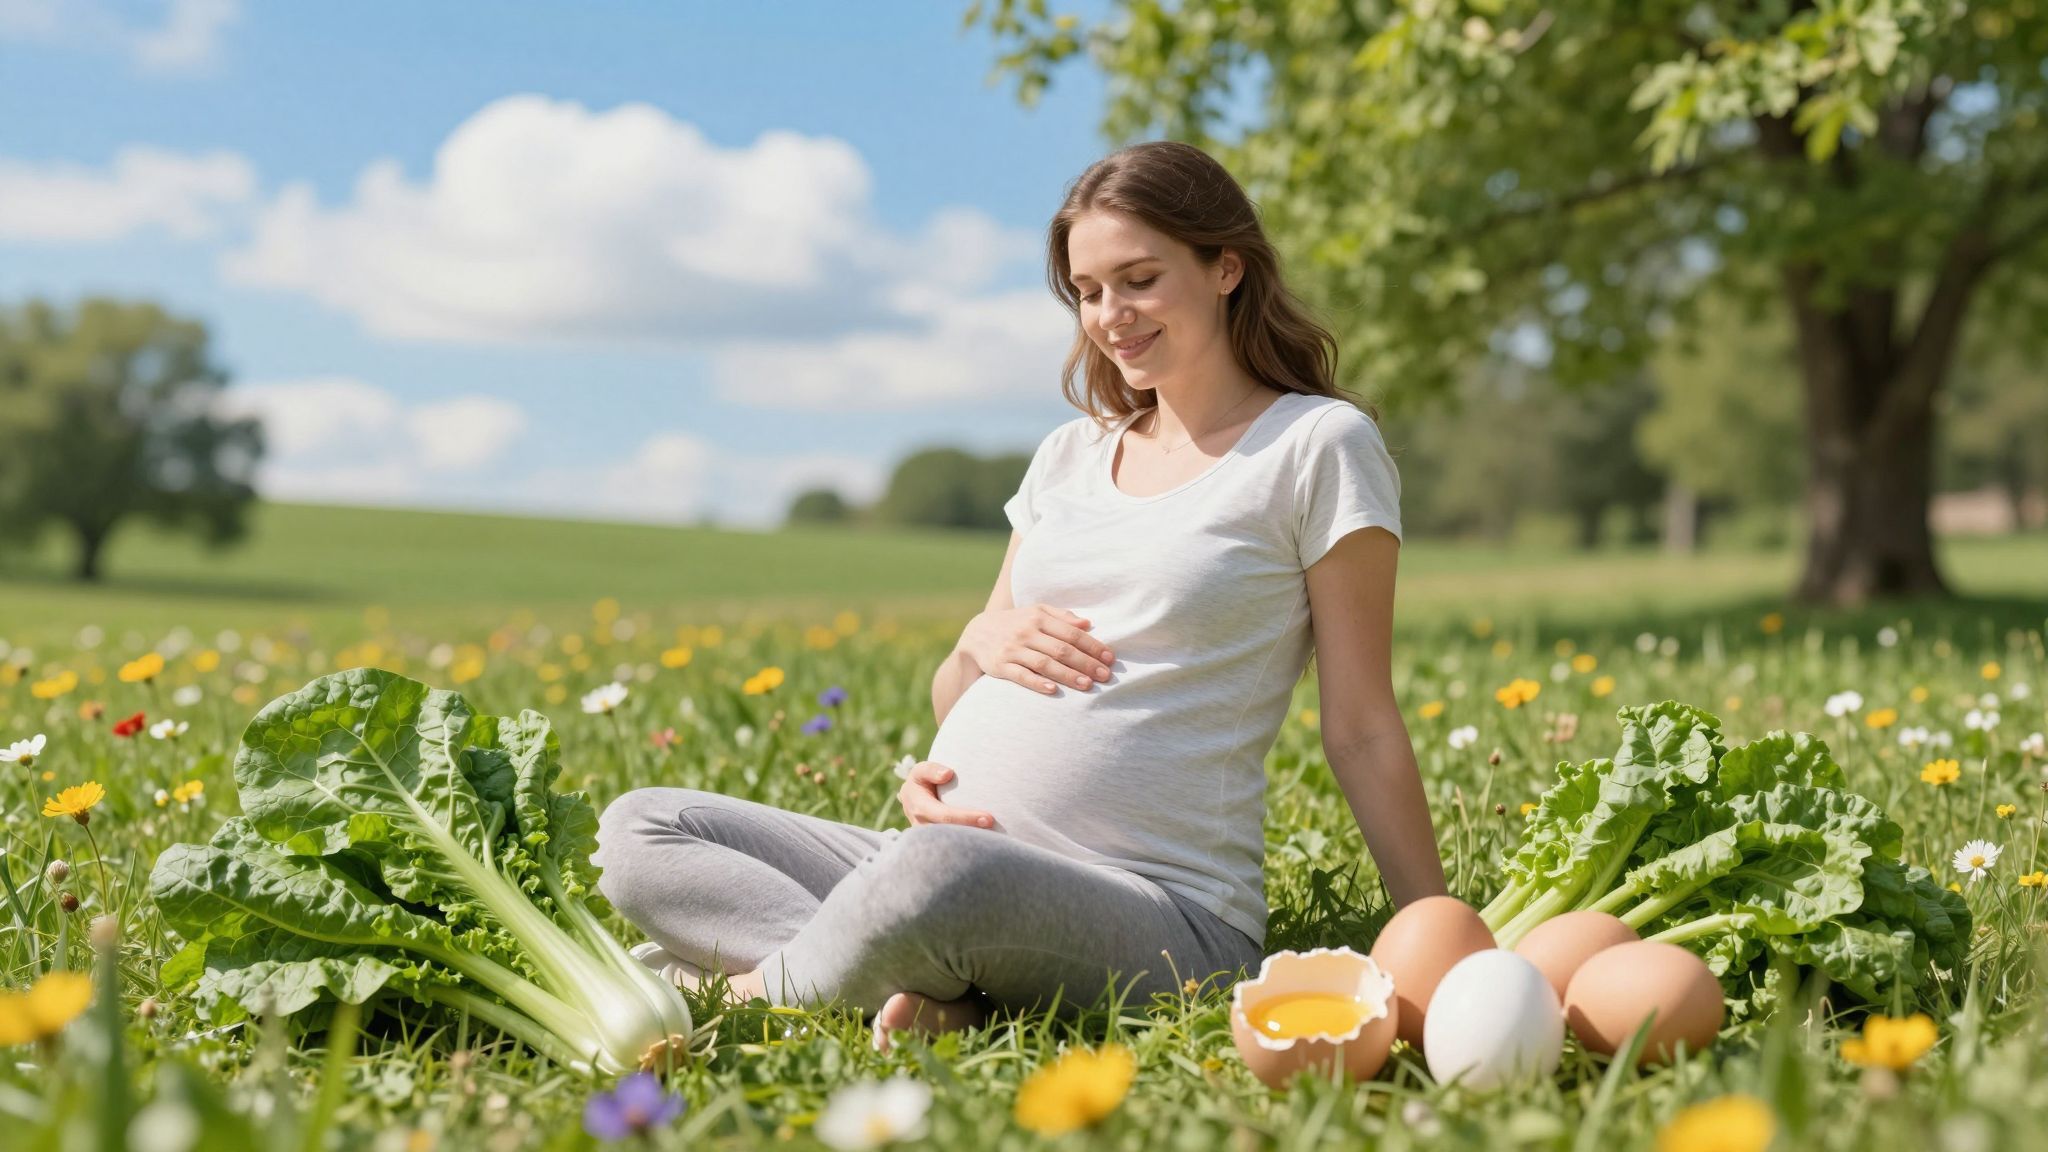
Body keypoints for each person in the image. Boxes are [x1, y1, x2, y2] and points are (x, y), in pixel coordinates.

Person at [591, 140, 1448, 1054]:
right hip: (942, 853)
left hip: (1158, 909)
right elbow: (961, 689)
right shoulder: (1068, 456)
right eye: (1087, 291)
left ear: (1226, 266)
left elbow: (1359, 725)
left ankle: (736, 995)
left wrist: (1439, 934)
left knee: (937, 879)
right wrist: (968, 662)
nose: (1110, 315)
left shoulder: (1316, 445)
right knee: (638, 832)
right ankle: (932, 980)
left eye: (1140, 279)